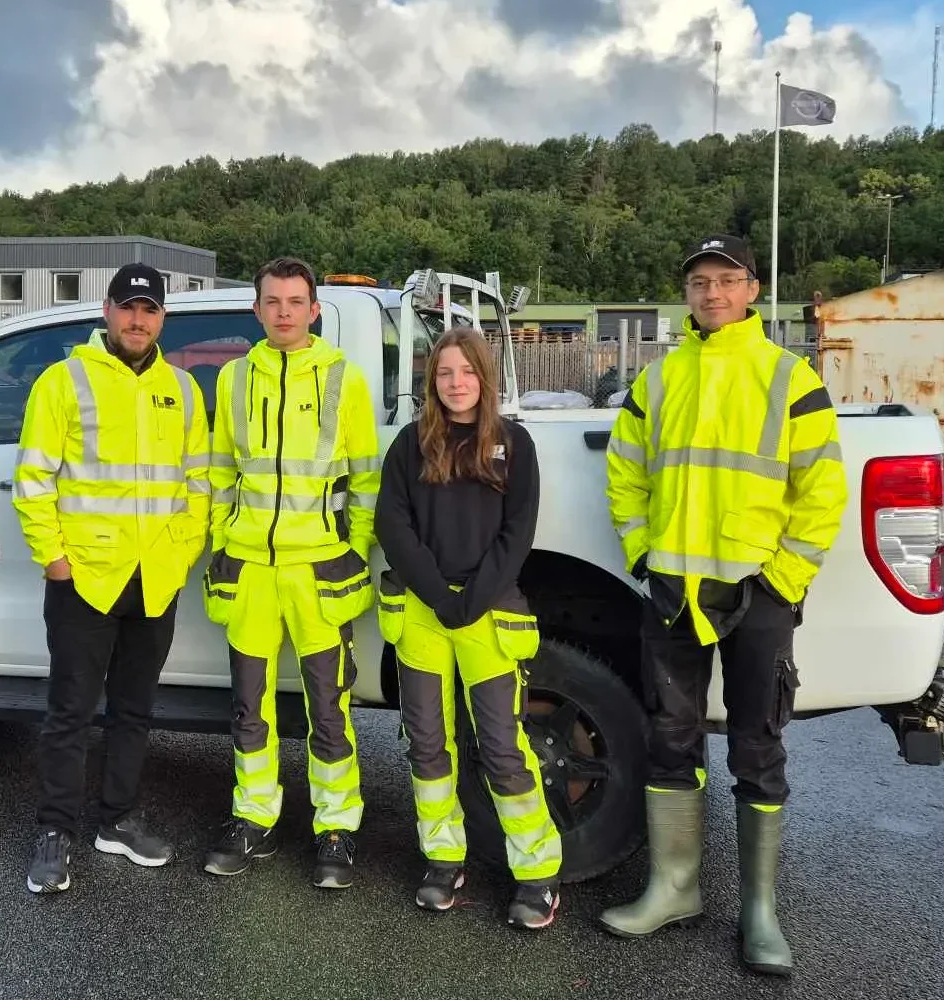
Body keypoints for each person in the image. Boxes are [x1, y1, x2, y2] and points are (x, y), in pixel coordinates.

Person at [597, 235, 848, 976]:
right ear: (688, 294)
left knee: (757, 748)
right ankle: (672, 888)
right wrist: (644, 555)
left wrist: (783, 579)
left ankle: (760, 913)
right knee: (670, 740)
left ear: (752, 289)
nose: (712, 293)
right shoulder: (662, 379)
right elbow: (626, 471)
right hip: (674, 592)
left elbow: (822, 490)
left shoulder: (787, 377)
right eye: (700, 282)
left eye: (726, 280)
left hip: (757, 598)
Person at [11, 262, 211, 894]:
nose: (137, 319)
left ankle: (117, 821)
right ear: (107, 310)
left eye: (149, 310)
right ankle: (55, 831)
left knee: (134, 710)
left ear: (161, 319)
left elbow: (198, 483)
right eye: (128, 307)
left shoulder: (182, 390)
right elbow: (33, 479)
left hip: (155, 578)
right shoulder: (63, 381)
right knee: (69, 711)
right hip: (85, 579)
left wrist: (180, 555)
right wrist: (55, 559)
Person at [374, 325, 565, 930]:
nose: (457, 384)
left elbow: (518, 532)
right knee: (427, 742)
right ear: (432, 382)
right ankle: (443, 858)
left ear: (485, 377)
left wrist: (472, 599)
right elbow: (392, 525)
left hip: (489, 614)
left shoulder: (513, 444)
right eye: (445, 374)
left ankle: (537, 872)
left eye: (467, 372)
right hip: (424, 614)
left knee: (502, 745)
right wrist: (438, 594)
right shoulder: (411, 445)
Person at [200, 256, 381, 889]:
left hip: (318, 570)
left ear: (313, 310)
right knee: (249, 707)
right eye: (272, 301)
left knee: (329, 708)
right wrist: (223, 538)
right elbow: (221, 469)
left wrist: (353, 549)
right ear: (257, 310)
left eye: (294, 301)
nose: (283, 312)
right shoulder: (231, 380)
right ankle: (254, 815)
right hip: (251, 567)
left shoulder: (343, 378)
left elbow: (366, 477)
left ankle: (336, 827)